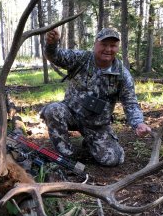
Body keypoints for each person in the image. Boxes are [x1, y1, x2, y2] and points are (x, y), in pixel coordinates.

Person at [40, 27, 151, 166]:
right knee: (53, 110)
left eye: (113, 45)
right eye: (104, 44)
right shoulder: (81, 58)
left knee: (114, 159)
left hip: (97, 125)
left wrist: (138, 123)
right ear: (95, 44)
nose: (108, 49)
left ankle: (90, 142)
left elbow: (130, 103)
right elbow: (55, 56)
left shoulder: (122, 75)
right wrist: (52, 43)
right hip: (71, 114)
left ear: (117, 48)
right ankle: (66, 155)